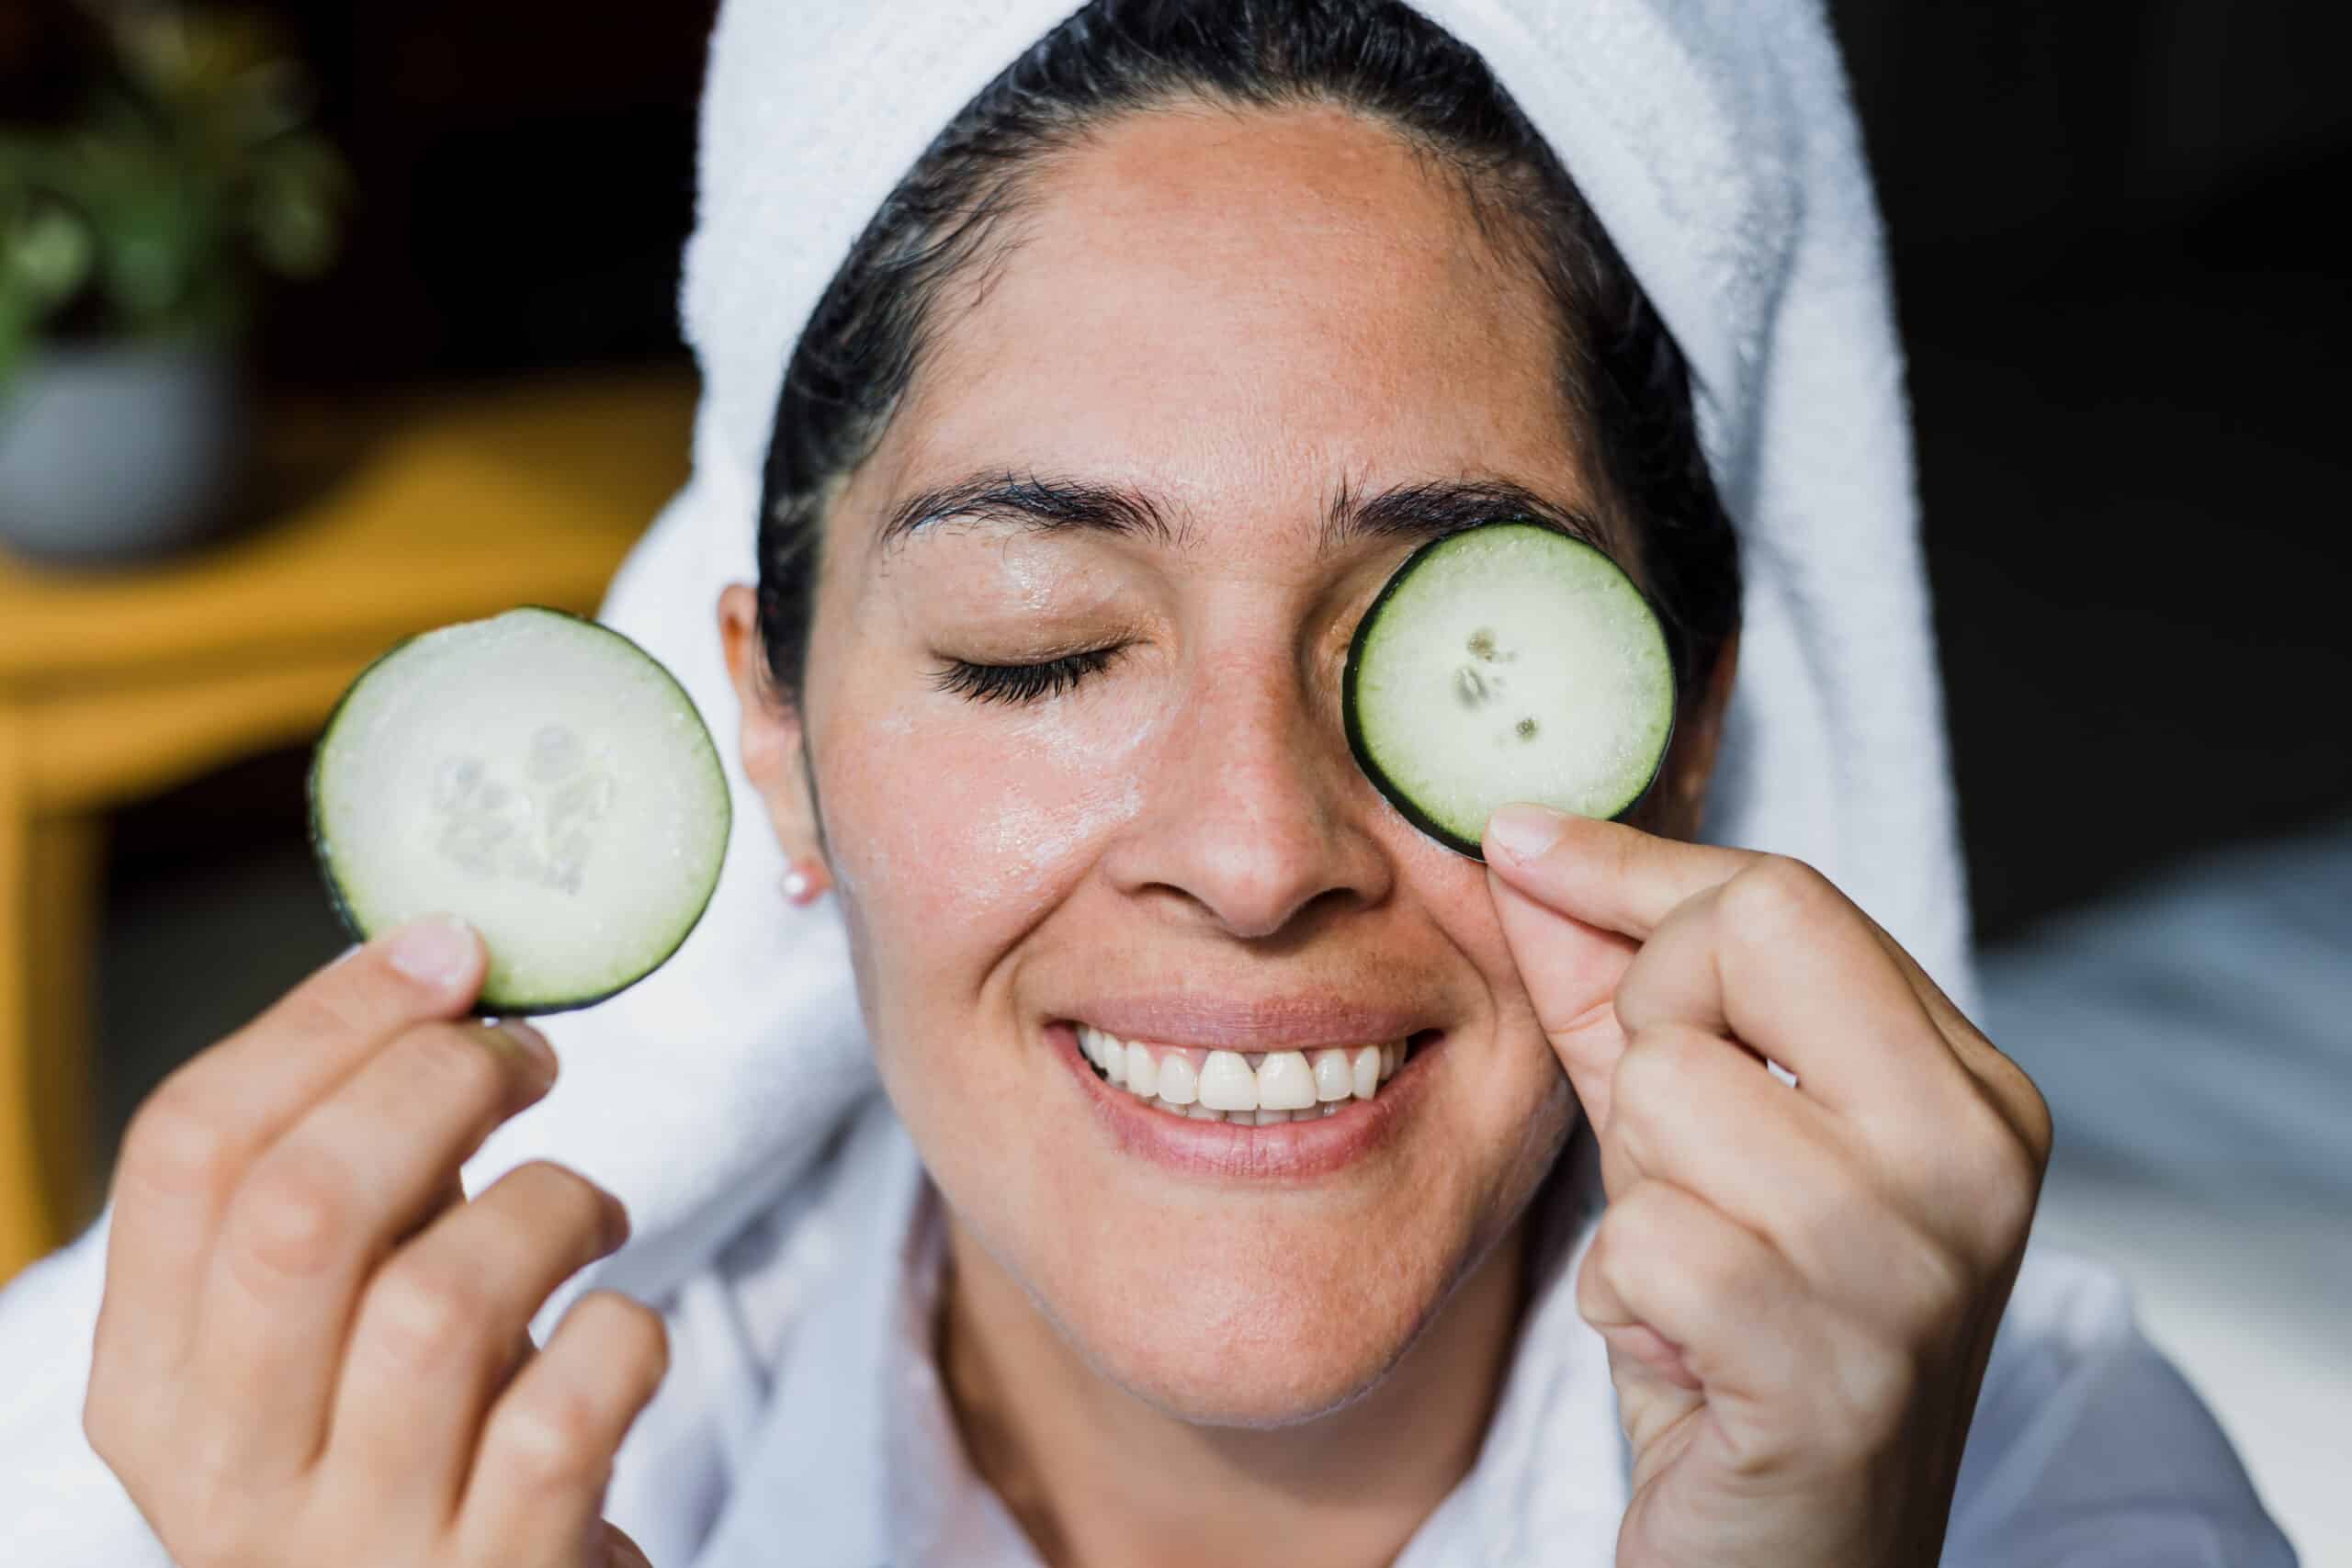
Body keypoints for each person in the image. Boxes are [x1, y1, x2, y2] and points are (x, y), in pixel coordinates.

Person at [0, 3, 2299, 1565]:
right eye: (1038, 648)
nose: (1256, 847)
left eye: (1444, 660)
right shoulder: (290, 1494)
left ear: (1683, 725)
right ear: (772, 727)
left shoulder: (2058, 1495)